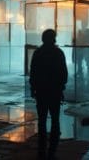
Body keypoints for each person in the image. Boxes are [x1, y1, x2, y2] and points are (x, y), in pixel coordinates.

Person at [29, 29, 68, 159]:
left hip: (41, 92)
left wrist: (33, 88)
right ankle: (52, 150)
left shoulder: (38, 53)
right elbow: (63, 73)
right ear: (54, 38)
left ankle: (42, 149)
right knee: (55, 119)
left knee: (42, 120)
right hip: (55, 92)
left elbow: (33, 72)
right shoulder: (58, 53)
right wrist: (61, 87)